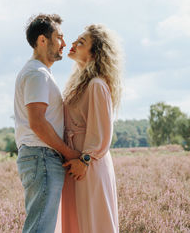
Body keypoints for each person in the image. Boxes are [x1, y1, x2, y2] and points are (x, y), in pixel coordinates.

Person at [14, 13, 81, 233]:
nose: (64, 43)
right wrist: (68, 152)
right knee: (40, 228)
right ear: (42, 40)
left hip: (40, 157)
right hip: (42, 157)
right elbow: (38, 123)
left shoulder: (39, 73)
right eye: (59, 37)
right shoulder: (37, 74)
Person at [61, 24, 123, 233]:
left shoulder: (96, 84)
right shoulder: (79, 84)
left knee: (94, 223)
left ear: (95, 53)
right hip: (75, 164)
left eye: (81, 43)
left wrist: (85, 160)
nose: (72, 44)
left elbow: (102, 131)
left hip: (89, 166)